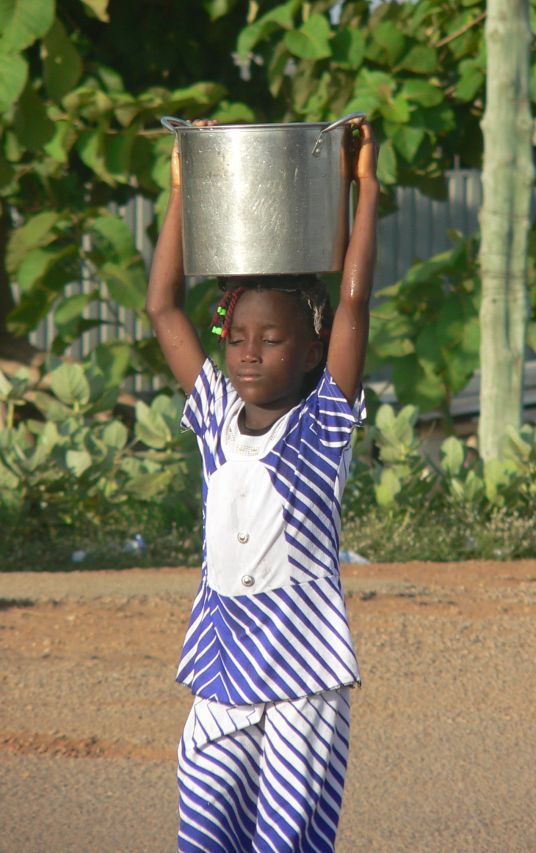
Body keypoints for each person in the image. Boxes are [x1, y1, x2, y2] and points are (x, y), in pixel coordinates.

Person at [146, 115, 378, 853]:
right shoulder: (216, 414)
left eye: (272, 340)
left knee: (286, 842)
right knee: (205, 830)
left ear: (311, 350)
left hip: (303, 673)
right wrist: (187, 182)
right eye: (238, 339)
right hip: (219, 664)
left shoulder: (321, 428)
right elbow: (162, 307)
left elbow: (351, 303)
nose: (248, 354)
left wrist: (361, 185)